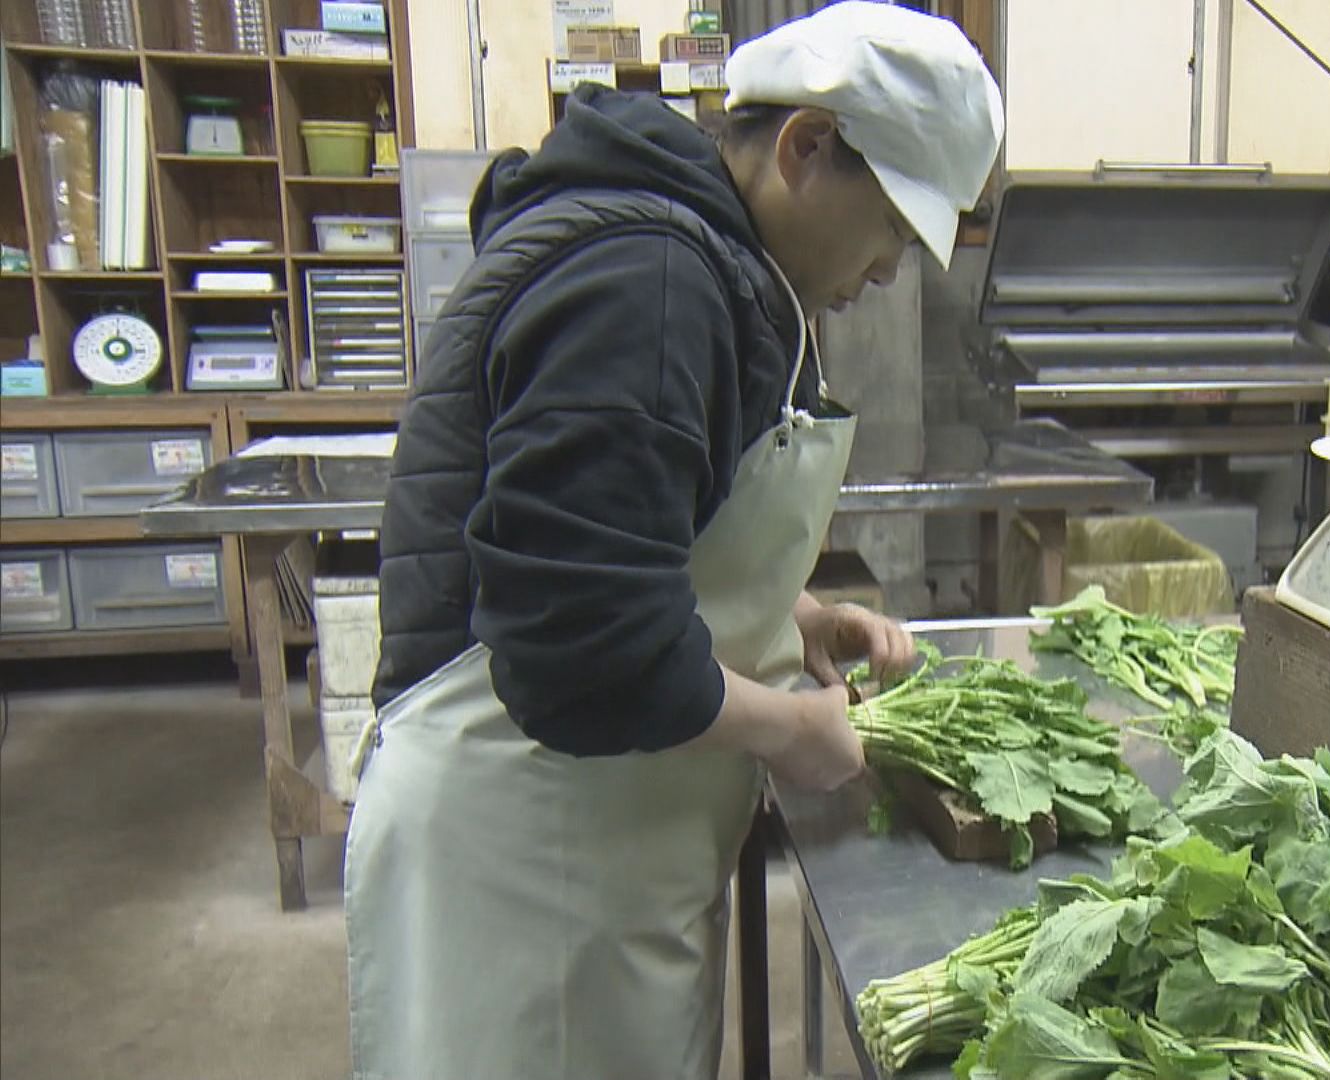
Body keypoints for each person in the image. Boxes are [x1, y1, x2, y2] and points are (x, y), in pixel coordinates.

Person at [342, 4, 1005, 1077]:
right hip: (526, 857)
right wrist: (790, 730)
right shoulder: (647, 279)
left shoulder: (709, 265)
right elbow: (580, 643)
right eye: (891, 225)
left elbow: (636, 531)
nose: (891, 268)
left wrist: (786, 614)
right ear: (805, 147)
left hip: (600, 851)